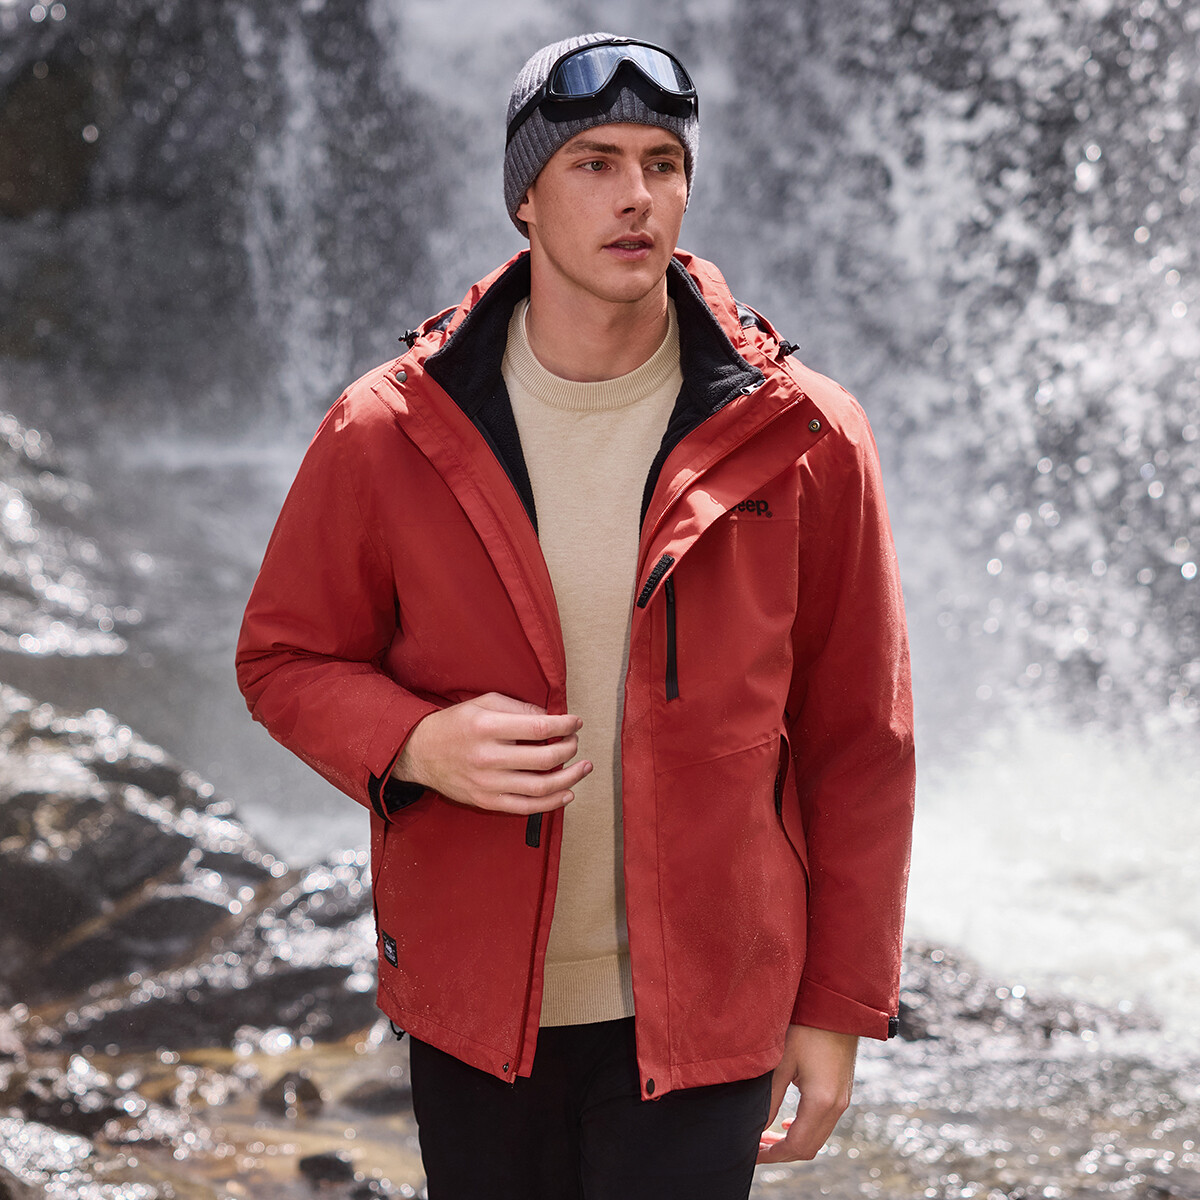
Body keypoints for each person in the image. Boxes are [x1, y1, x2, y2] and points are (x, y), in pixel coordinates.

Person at [237, 31, 915, 1200]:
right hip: (476, 1006)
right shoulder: (389, 429)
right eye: (593, 163)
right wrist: (416, 743)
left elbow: (861, 739)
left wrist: (839, 1006)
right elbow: (285, 658)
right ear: (525, 199)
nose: (635, 196)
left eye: (663, 163)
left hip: (707, 1009)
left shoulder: (804, 433)